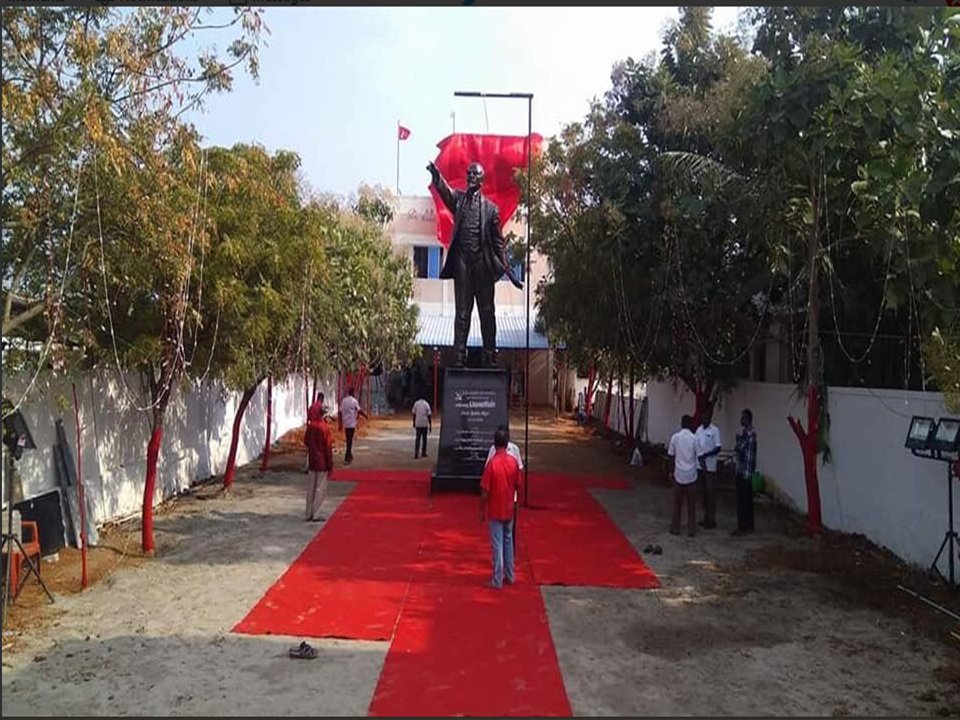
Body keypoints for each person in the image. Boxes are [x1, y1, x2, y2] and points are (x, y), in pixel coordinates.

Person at [427, 160, 523, 368]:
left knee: (487, 311)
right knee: (462, 312)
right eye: (468, 174)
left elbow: (498, 242)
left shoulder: (491, 210)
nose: (470, 177)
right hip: (462, 262)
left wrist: (509, 271)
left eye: (474, 174)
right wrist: (437, 177)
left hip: (482, 265)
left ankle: (490, 356)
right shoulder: (459, 200)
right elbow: (446, 193)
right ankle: (459, 356)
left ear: (481, 179)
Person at [480, 428, 522, 589]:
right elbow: (519, 484)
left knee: (497, 544)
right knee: (508, 541)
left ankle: (497, 579)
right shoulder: (513, 462)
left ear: (495, 444)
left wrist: (481, 510)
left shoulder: (492, 464)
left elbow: (485, 491)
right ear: (507, 443)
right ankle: (510, 575)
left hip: (495, 509)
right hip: (509, 508)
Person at [667, 415, 699, 536]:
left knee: (677, 504)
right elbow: (698, 455)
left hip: (678, 475)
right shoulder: (694, 439)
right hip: (691, 475)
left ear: (681, 424)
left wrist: (671, 471)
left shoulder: (675, 437)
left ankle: (675, 528)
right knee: (691, 505)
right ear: (691, 425)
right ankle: (691, 530)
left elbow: (671, 455)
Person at [303, 401, 333, 522]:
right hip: (322, 463)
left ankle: (308, 513)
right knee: (319, 489)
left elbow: (306, 441)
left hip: (312, 461)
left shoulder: (312, 426)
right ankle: (316, 513)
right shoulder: (324, 428)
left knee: (310, 488)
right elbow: (328, 448)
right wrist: (330, 464)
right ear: (325, 415)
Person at [695, 404, 722, 529]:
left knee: (711, 494)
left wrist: (706, 454)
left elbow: (718, 448)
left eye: (707, 415)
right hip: (699, 466)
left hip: (710, 467)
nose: (705, 417)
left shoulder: (714, 430)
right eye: (703, 415)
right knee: (703, 494)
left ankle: (711, 520)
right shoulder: (698, 430)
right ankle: (705, 518)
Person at [733, 409, 758, 536]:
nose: (741, 420)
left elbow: (739, 448)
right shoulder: (747, 434)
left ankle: (742, 527)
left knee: (743, 501)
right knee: (747, 500)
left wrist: (737, 441)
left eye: (743, 418)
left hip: (744, 472)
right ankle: (748, 526)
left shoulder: (749, 435)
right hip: (746, 471)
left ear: (748, 419)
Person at [339, 386, 367, 465]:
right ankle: (347, 457)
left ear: (348, 392)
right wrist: (365, 416)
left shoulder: (344, 400)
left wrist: (340, 422)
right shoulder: (354, 401)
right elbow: (359, 410)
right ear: (353, 393)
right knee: (350, 441)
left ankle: (349, 455)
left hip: (346, 423)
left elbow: (340, 411)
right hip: (351, 423)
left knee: (348, 439)